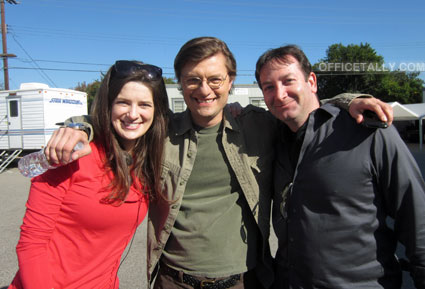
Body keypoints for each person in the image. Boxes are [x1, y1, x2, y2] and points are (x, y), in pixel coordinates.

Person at [44, 37, 393, 289]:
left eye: (215, 79)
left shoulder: (258, 124)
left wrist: (350, 99)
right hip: (174, 281)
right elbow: (121, 123)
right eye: (192, 80)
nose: (204, 89)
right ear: (180, 85)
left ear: (230, 82)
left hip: (247, 280)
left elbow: (301, 107)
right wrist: (79, 125)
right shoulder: (159, 135)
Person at [255, 45, 425, 288]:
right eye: (268, 87)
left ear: (311, 81)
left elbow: (415, 212)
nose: (279, 94)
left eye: (288, 81)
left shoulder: (366, 130)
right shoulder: (272, 140)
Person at [8, 60, 169, 289]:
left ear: (156, 111)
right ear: (108, 105)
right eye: (123, 102)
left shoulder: (145, 163)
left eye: (144, 104)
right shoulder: (70, 156)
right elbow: (31, 245)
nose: (133, 114)